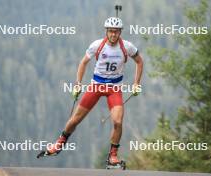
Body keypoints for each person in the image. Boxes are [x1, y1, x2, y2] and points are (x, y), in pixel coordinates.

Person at [46, 17, 143, 166]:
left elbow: (139, 61)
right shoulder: (97, 45)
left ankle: (112, 157)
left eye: (116, 32)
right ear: (106, 31)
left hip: (114, 88)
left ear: (120, 32)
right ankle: (59, 143)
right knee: (76, 119)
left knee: (118, 122)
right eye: (110, 31)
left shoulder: (127, 47)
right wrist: (78, 84)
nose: (113, 35)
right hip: (96, 86)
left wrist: (136, 84)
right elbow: (83, 62)